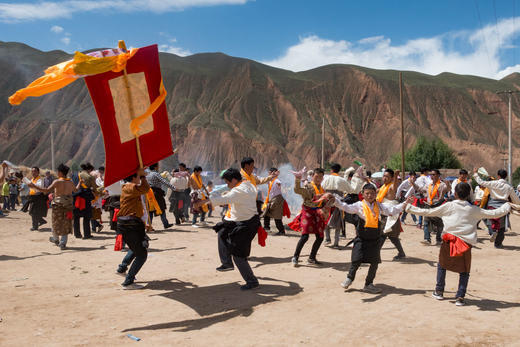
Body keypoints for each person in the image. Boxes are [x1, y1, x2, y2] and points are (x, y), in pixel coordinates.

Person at [406, 182, 513, 306]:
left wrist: (409, 207)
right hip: (465, 244)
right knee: (464, 271)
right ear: (468, 195)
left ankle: (439, 291)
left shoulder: (448, 206)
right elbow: (494, 214)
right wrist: (506, 206)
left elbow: (428, 212)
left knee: (442, 265)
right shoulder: (474, 209)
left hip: (448, 241)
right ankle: (460, 297)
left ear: (455, 193)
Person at [329, 184, 408, 293]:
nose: (370, 195)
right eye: (367, 193)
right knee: (356, 259)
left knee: (374, 262)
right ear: (363, 194)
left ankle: (369, 284)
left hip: (375, 239)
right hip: (361, 238)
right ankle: (349, 278)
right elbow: (346, 207)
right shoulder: (358, 205)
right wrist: (336, 201)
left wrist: (405, 203)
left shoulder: (379, 206)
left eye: (372, 193)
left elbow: (392, 210)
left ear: (376, 194)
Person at [199, 168, 261, 290]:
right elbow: (227, 193)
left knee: (238, 255)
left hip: (246, 224)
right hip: (241, 220)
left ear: (233, 180)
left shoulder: (239, 190)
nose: (227, 185)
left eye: (228, 182)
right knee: (222, 231)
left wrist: (203, 202)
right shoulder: (247, 184)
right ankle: (226, 263)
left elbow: (226, 198)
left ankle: (252, 281)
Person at [116, 168, 151, 289]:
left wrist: (144, 222)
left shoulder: (130, 188)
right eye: (138, 177)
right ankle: (128, 281)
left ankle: (122, 268)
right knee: (142, 254)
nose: (139, 179)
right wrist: (143, 176)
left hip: (133, 223)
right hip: (129, 225)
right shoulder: (129, 186)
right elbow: (145, 188)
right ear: (133, 177)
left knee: (139, 247)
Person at [29, 164, 76, 250]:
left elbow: (46, 190)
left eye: (58, 171)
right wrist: (80, 183)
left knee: (55, 222)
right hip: (68, 205)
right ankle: (63, 243)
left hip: (58, 205)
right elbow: (76, 190)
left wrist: (34, 186)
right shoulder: (70, 182)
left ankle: (55, 239)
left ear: (60, 172)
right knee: (66, 223)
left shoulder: (56, 182)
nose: (57, 173)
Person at [289, 167, 329, 266]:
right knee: (305, 236)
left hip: (317, 213)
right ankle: (295, 257)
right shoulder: (309, 187)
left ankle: (312, 258)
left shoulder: (322, 188)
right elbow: (297, 190)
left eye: (320, 177)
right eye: (316, 176)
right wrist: (298, 179)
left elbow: (323, 202)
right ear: (312, 176)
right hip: (307, 212)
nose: (318, 178)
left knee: (320, 237)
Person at [473, 168, 520, 248]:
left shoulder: (493, 183)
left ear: (498, 176)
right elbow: (516, 200)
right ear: (506, 176)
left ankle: (493, 232)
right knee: (501, 227)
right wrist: (516, 205)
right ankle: (498, 244)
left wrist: (475, 174)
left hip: (492, 206)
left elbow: (481, 182)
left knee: (490, 221)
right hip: (503, 207)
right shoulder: (509, 187)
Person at [321, 164, 364, 247]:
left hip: (327, 200)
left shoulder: (326, 178)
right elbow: (350, 189)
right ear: (339, 170)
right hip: (338, 201)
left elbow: (322, 187)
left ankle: (327, 239)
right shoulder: (341, 180)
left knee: (326, 219)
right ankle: (336, 242)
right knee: (338, 221)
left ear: (331, 170)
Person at [376, 168, 406, 260]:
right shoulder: (382, 187)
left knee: (383, 235)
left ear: (391, 178)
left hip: (390, 216)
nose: (384, 178)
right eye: (384, 176)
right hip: (384, 214)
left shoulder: (391, 187)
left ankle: (375, 255)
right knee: (392, 237)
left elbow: (395, 186)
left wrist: (396, 176)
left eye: (387, 177)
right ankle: (401, 253)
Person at [414, 169, 448, 245]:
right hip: (428, 206)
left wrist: (448, 185)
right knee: (426, 222)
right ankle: (427, 239)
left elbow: (448, 189)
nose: (432, 176)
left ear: (438, 175)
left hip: (438, 206)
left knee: (439, 224)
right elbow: (421, 190)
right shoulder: (429, 185)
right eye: (431, 175)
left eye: (434, 174)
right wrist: (413, 184)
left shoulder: (442, 185)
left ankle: (438, 239)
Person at [73, 163, 101, 239]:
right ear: (89, 169)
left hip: (76, 198)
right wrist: (101, 190)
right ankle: (87, 234)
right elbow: (95, 188)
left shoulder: (75, 175)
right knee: (86, 217)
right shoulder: (89, 177)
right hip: (85, 198)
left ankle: (77, 234)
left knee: (76, 217)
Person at [146, 163, 175, 229]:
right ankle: (165, 224)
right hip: (157, 194)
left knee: (150, 210)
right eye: (158, 166)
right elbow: (164, 181)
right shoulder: (155, 174)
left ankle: (148, 225)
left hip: (149, 194)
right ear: (155, 167)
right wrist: (173, 187)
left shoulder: (147, 174)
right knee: (161, 208)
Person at [262, 168, 287, 236]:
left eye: (270, 173)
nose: (269, 174)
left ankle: (281, 231)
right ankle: (266, 227)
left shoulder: (276, 180)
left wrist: (276, 176)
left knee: (277, 216)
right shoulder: (269, 180)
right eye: (269, 173)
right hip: (271, 199)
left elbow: (279, 183)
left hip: (277, 200)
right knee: (267, 213)